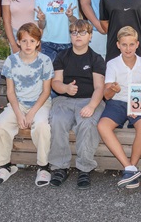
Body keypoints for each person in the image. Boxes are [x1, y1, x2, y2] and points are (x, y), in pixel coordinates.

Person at [0, 23, 53, 186]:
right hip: (18, 104)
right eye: (24, 41)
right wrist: (19, 114)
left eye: (32, 41)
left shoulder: (45, 61)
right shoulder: (11, 61)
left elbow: (46, 91)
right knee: (1, 126)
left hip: (40, 104)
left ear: (38, 42)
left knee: (42, 126)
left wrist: (32, 113)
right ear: (18, 42)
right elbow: (10, 92)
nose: (28, 45)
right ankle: (6, 165)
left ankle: (43, 167)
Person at [48, 19, 106, 189]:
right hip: (64, 100)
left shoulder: (96, 59)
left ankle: (84, 169)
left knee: (87, 123)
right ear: (70, 36)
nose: (78, 36)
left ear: (90, 36)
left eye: (82, 32)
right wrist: (65, 88)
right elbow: (55, 83)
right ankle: (59, 167)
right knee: (57, 120)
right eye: (74, 32)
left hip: (89, 100)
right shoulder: (62, 56)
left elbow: (99, 87)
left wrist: (92, 106)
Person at [97, 26, 141, 189]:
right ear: (118, 45)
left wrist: (136, 107)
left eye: (131, 44)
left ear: (137, 44)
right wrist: (113, 89)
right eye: (124, 44)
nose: (128, 48)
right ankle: (129, 167)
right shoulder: (112, 64)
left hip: (139, 102)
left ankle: (131, 167)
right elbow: (107, 96)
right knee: (102, 126)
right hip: (117, 102)